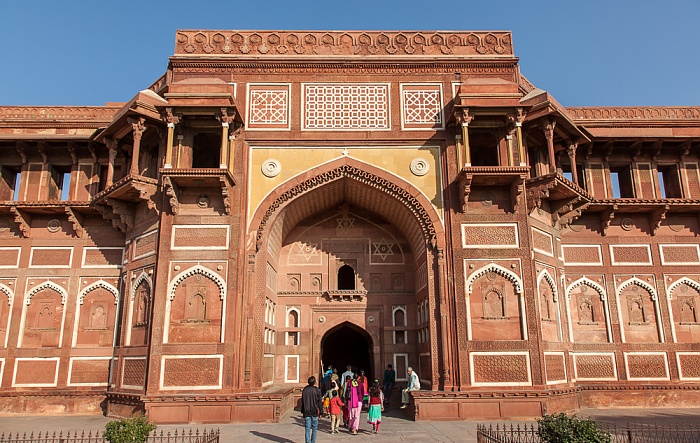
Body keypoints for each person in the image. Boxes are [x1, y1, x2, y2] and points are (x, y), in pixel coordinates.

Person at [301, 376, 323, 443]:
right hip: (314, 411)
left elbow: (303, 402)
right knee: (314, 428)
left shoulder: (305, 390)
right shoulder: (317, 390)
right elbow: (319, 402)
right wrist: (321, 412)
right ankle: (313, 441)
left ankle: (308, 442)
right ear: (314, 382)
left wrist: (303, 411)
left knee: (307, 428)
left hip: (307, 411)